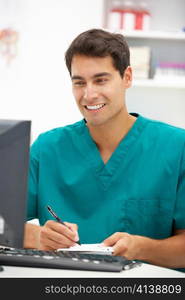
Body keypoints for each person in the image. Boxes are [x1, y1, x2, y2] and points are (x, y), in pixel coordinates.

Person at [24, 28, 185, 271]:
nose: (89, 94)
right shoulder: (47, 149)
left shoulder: (176, 147)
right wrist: (37, 237)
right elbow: (5, 225)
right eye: (79, 82)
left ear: (127, 77)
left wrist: (141, 248)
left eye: (101, 80)